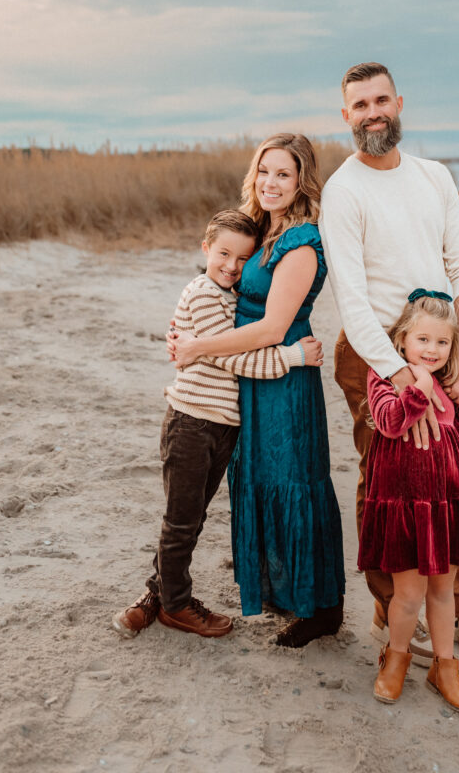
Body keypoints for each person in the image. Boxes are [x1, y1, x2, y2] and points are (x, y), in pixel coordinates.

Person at [319, 61, 459, 663]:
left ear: (399, 103)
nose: (373, 112)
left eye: (381, 100)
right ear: (345, 116)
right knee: (386, 479)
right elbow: (350, 297)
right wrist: (403, 377)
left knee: (446, 479)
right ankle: (390, 606)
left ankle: (451, 606)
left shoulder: (434, 176)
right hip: (374, 356)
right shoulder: (344, 190)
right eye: (360, 104)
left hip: (440, 346)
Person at [169, 134, 345, 647]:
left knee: (294, 480)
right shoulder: (257, 229)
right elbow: (215, 285)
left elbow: (272, 327)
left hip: (285, 376)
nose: (271, 182)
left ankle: (321, 609)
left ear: (301, 181)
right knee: (257, 479)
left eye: (284, 174)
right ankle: (282, 591)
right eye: (264, 171)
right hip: (245, 374)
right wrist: (182, 328)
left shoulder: (302, 241)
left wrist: (199, 347)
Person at [112, 209, 321, 640]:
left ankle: (157, 593)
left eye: (243, 259)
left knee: (190, 517)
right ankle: (175, 605)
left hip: (219, 427)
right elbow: (231, 357)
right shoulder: (205, 293)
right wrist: (292, 357)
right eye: (223, 253)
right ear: (205, 248)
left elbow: (220, 347)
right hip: (192, 423)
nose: (232, 266)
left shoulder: (229, 297)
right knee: (181, 519)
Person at [359, 290, 459, 710]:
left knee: (442, 592)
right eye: (423, 340)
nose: (432, 350)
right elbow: (392, 423)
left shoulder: (448, 386)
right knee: (408, 594)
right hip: (404, 504)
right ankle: (395, 659)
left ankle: (445, 667)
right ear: (401, 341)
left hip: (446, 502)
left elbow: (454, 443)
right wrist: (420, 386)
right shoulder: (382, 378)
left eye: (442, 342)